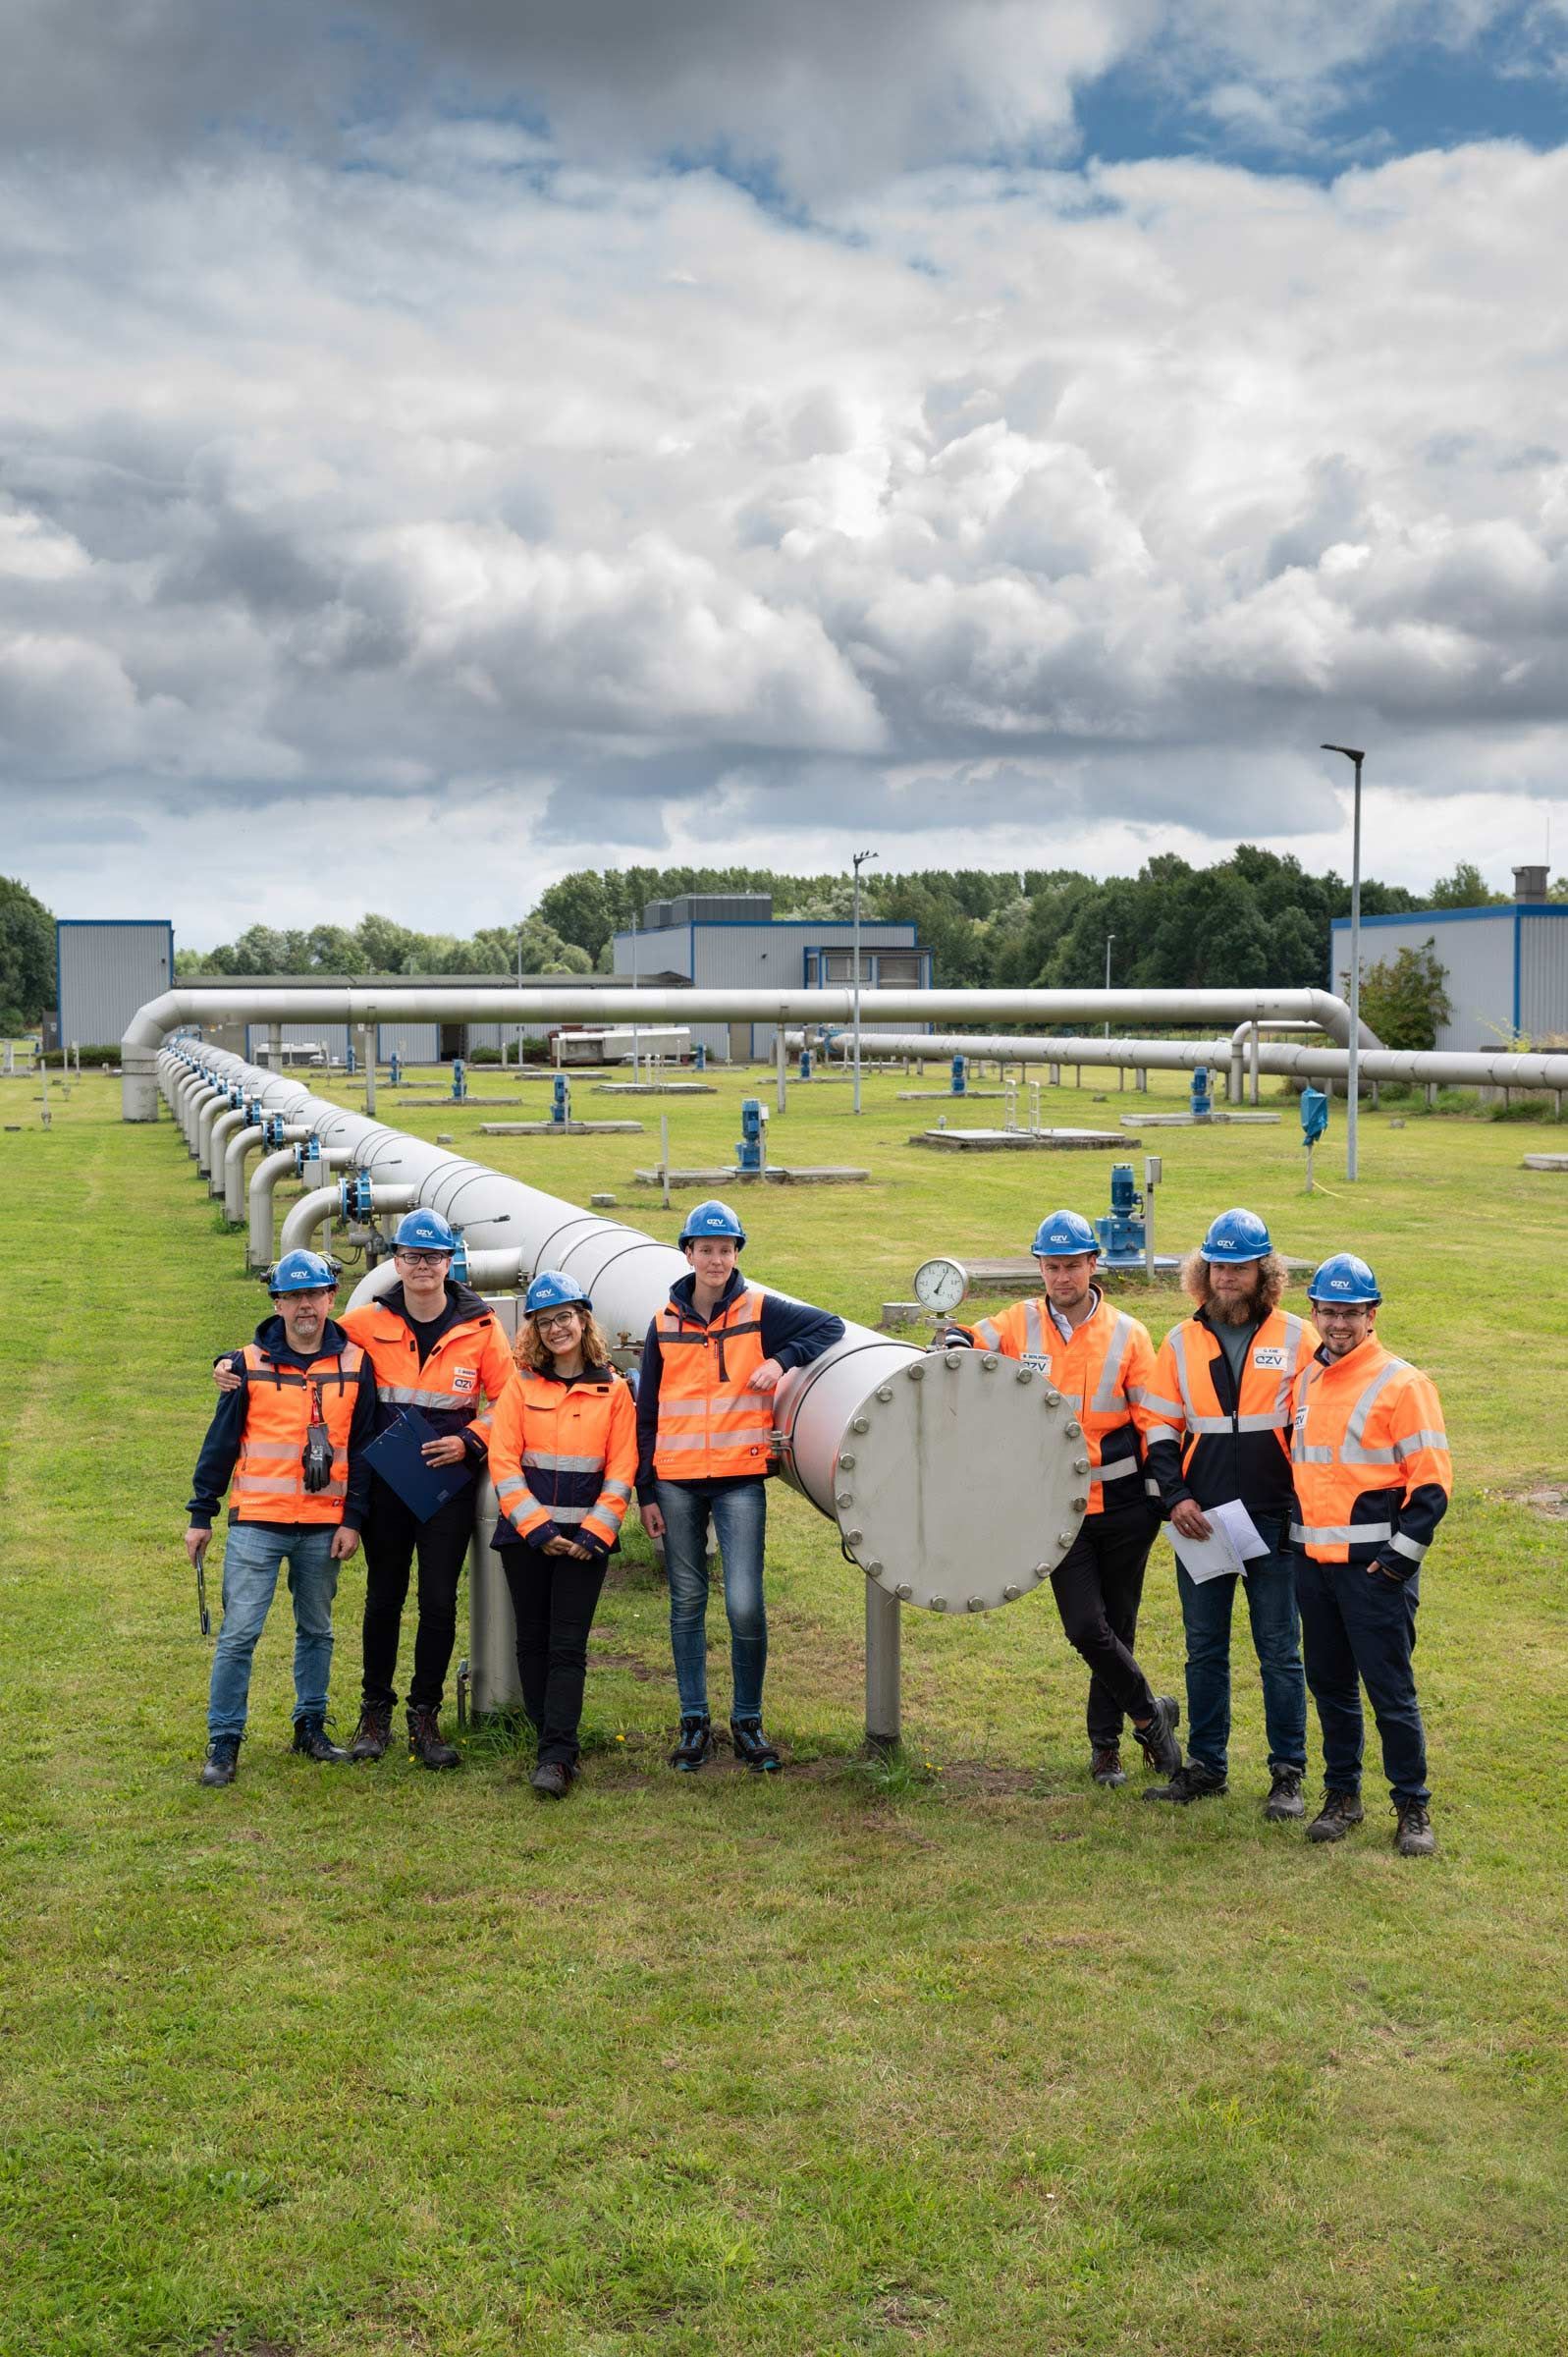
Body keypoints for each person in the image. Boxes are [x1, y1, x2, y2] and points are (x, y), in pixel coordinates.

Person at [212, 1206, 514, 1770]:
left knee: (438, 1601)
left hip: (446, 1488)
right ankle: (375, 1712)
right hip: (385, 1486)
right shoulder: (365, 1322)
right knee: (384, 1597)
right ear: (396, 1261)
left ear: (450, 1262)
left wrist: (471, 1440)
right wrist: (231, 1362)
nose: (422, 1266)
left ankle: (425, 1714)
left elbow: (508, 1399)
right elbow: (300, 1336)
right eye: (412, 1256)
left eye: (433, 1257)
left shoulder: (482, 1327)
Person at [940, 1209, 1183, 1786]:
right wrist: (953, 1338)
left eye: (1072, 1265)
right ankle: (1151, 1716)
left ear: (1093, 1264)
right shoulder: (1017, 1323)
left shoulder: (1128, 1334)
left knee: (1117, 1626)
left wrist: (1162, 1494)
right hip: (1055, 1510)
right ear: (1040, 1268)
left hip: (1123, 1508)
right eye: (1051, 1267)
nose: (1062, 1277)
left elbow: (1153, 1421)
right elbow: (968, 1341)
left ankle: (1106, 1749)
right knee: (1084, 1628)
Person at [635, 1199, 843, 1773]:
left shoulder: (760, 1310)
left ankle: (747, 1721)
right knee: (687, 1602)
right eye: (705, 1249)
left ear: (736, 1253)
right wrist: (645, 1490)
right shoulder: (663, 1324)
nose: (716, 1260)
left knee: (745, 1604)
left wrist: (783, 1359)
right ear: (688, 1254)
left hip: (738, 1481)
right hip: (676, 1483)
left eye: (725, 1250)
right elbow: (647, 1411)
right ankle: (694, 1720)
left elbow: (829, 1326)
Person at [1142, 1208, 1315, 1816]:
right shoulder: (1179, 1341)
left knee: (1280, 1652)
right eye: (1217, 1266)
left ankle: (1288, 1774)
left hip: (1275, 1520)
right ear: (1203, 1270)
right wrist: (1177, 1499)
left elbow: (1318, 1427)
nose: (1226, 1277)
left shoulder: (1298, 1337)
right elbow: (1159, 1427)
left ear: (1264, 1272)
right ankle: (1207, 1767)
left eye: (1239, 1267)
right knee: (1205, 1649)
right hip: (1203, 1521)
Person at [187, 1247, 375, 1786]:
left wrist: (353, 1519)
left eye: (313, 1294)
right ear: (277, 1303)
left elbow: (364, 1449)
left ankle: (310, 1727)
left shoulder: (357, 1364)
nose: (304, 1306)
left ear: (331, 1297)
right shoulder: (245, 1365)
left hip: (324, 1524)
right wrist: (201, 1514)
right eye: (292, 1297)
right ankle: (224, 1740)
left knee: (317, 1630)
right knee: (239, 1634)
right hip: (258, 1523)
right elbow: (220, 1444)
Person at [1288, 1254, 1450, 1856]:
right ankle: (1343, 1796)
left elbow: (1431, 1487)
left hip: (1375, 1574)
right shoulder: (1304, 1383)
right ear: (1314, 1312)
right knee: (1330, 1688)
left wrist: (1397, 1564)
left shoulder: (1404, 1384)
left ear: (1371, 1314)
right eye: (1329, 1312)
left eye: (1350, 1313)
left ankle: (1412, 1806)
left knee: (1391, 1694)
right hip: (1314, 1570)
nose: (1339, 1323)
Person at [486, 1272, 636, 1798]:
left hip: (584, 1545)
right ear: (534, 1330)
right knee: (533, 1641)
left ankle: (557, 1756)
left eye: (564, 1318)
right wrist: (538, 1528)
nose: (556, 1329)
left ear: (583, 1321)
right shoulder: (520, 1386)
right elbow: (504, 1463)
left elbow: (622, 1469)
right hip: (527, 1539)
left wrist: (594, 1534)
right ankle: (547, 1739)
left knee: (568, 1647)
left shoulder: (614, 1391)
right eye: (545, 1321)